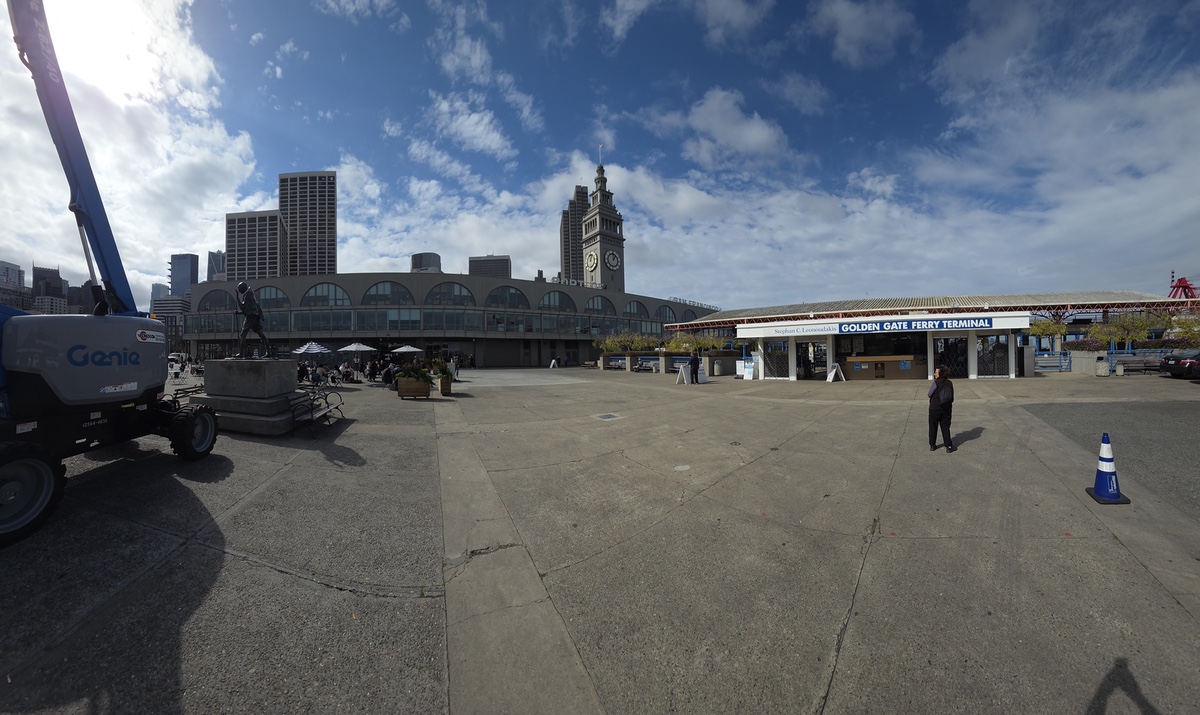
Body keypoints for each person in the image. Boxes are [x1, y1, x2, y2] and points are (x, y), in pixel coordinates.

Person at [236, 281, 270, 358]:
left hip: (251, 317)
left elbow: (243, 307)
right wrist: (239, 312)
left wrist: (237, 297)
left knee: (243, 334)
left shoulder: (247, 294)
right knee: (261, 334)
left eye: (239, 289)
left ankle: (241, 354)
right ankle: (269, 352)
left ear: (242, 288)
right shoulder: (249, 293)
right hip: (254, 316)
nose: (239, 291)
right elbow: (248, 309)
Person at [928, 366, 956, 453]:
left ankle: (932, 445)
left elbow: (929, 394)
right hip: (946, 408)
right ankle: (948, 446)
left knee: (933, 426)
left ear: (940, 374)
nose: (934, 374)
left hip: (934, 408)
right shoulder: (949, 383)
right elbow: (951, 396)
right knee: (945, 427)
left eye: (936, 372)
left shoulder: (936, 382)